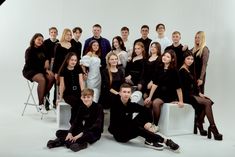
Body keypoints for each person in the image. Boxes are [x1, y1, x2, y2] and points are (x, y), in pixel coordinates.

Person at [108, 83, 180, 152]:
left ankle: (149, 140)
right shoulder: (115, 105)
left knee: (144, 112)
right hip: (120, 135)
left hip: (129, 127)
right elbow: (122, 123)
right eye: (124, 92)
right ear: (120, 93)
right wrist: (140, 125)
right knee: (137, 128)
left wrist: (148, 123)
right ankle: (165, 141)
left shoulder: (129, 104)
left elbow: (146, 110)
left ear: (130, 94)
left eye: (128, 92)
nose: (126, 94)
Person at [179, 50, 222, 140]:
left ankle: (199, 123)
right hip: (186, 96)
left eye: (192, 59)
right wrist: (180, 100)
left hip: (193, 94)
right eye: (188, 59)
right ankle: (212, 127)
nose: (190, 61)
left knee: (208, 101)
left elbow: (194, 84)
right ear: (184, 59)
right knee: (207, 103)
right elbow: (180, 88)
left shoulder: (189, 69)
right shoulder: (182, 71)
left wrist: (199, 93)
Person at [144, 50, 184, 129]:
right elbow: (155, 84)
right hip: (158, 92)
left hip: (168, 94)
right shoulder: (159, 67)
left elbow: (178, 88)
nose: (165, 58)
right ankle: (147, 122)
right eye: (164, 55)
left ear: (172, 59)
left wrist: (181, 101)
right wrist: (150, 97)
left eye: (168, 57)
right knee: (147, 102)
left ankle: (155, 125)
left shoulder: (174, 71)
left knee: (156, 103)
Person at [22, 33, 54, 114]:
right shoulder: (29, 50)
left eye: (42, 40)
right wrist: (46, 70)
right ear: (34, 39)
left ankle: (42, 95)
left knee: (51, 77)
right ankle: (41, 104)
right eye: (39, 39)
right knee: (42, 79)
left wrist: (47, 60)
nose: (40, 41)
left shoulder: (43, 48)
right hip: (30, 70)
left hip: (41, 70)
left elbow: (47, 55)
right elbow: (32, 65)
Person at [57, 52, 85, 123]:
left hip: (78, 92)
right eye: (72, 60)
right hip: (68, 94)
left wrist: (83, 94)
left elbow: (81, 82)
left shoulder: (78, 68)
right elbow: (62, 85)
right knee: (76, 104)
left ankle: (75, 122)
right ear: (67, 60)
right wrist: (60, 97)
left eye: (75, 60)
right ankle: (74, 122)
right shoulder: (63, 70)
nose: (74, 62)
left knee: (82, 103)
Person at [43, 27, 59, 109]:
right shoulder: (45, 42)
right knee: (48, 82)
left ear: (57, 33)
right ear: (49, 33)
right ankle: (46, 103)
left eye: (55, 32)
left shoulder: (58, 43)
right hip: (48, 65)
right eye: (52, 32)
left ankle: (55, 103)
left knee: (57, 84)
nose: (53, 33)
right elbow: (44, 55)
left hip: (56, 65)